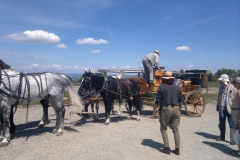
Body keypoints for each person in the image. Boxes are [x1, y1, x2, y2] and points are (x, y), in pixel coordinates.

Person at [153, 71, 183, 155]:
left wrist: (155, 110)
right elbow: (181, 99)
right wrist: (180, 109)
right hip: (176, 108)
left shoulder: (161, 87)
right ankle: (177, 149)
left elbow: (158, 100)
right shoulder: (177, 88)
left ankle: (167, 148)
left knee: (163, 128)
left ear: (164, 79)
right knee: (175, 130)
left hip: (166, 108)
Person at [216, 74, 235, 141]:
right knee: (221, 123)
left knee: (231, 124)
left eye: (221, 80)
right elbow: (219, 96)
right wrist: (218, 105)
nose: (220, 82)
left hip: (230, 108)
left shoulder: (232, 88)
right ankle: (222, 136)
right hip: (222, 108)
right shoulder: (220, 87)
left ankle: (233, 139)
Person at [230, 77, 240, 156]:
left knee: (238, 131)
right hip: (236, 111)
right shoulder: (237, 91)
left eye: (235, 82)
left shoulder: (239, 92)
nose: (234, 84)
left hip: (237, 111)